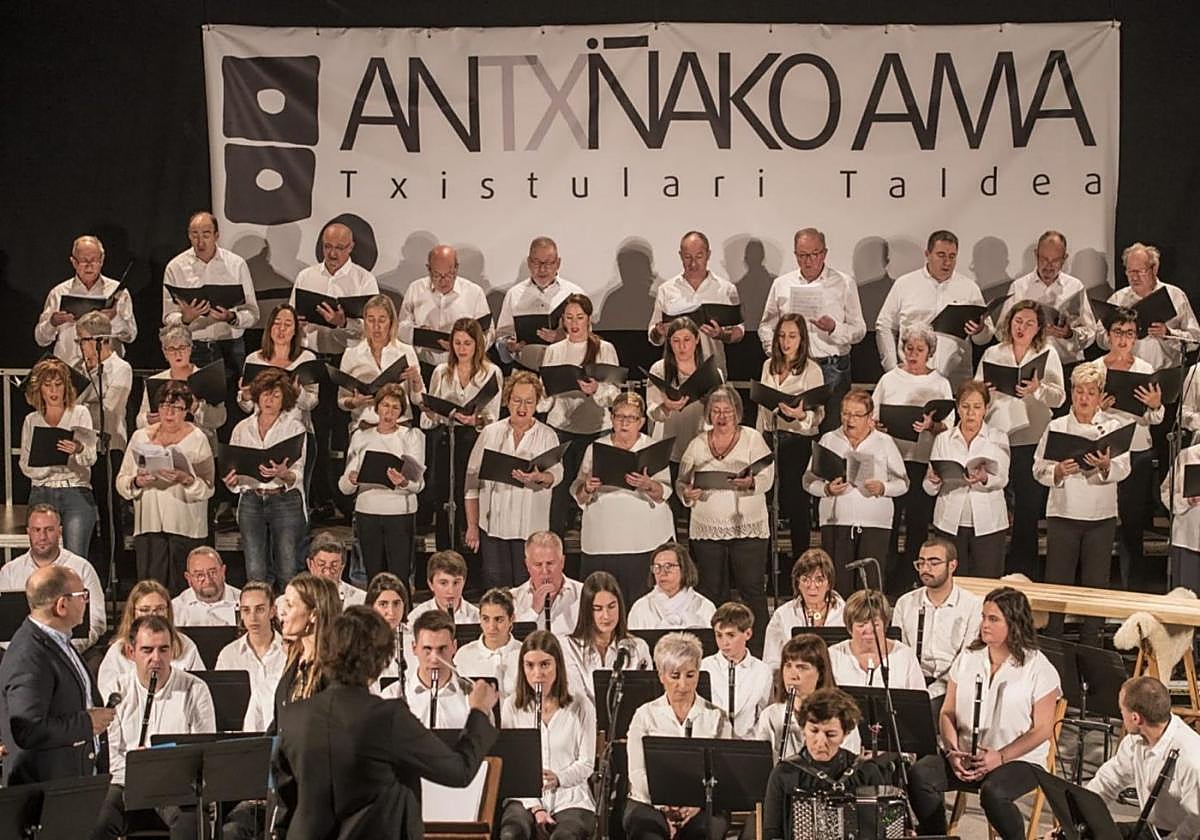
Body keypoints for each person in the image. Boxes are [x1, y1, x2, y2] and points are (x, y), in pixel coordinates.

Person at [272, 605, 498, 840]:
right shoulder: (387, 717)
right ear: (380, 658)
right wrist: (479, 712)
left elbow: (284, 801)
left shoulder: (293, 716)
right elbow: (458, 771)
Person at [908, 587, 1061, 840]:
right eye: (983, 617)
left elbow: (1043, 729)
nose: (984, 625)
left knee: (994, 793)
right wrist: (951, 750)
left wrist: (1000, 757)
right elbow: (947, 712)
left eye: (993, 619)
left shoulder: (1039, 667)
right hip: (967, 755)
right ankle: (936, 836)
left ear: (1014, 623)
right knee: (920, 775)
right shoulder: (969, 657)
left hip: (1018, 761)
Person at [93, 614, 216, 840]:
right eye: (147, 650)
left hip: (175, 785)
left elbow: (203, 753)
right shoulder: (116, 690)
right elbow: (114, 758)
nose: (156, 658)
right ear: (132, 652)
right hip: (126, 783)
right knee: (97, 820)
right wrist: (139, 769)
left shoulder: (195, 689)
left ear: (173, 651)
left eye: (163, 649)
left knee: (192, 824)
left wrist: (159, 770)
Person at [1034, 362, 1130, 645]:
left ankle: (1093, 644)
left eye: (1090, 392)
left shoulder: (1113, 427)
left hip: (1100, 517)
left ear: (1100, 396)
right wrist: (1058, 472)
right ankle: (1054, 643)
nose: (1084, 398)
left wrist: (1104, 466)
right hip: (1063, 513)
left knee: (1095, 585)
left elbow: (1124, 468)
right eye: (1078, 391)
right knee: (1057, 583)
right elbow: (1038, 468)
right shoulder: (1057, 426)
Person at [677, 385, 774, 651]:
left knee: (752, 591)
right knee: (711, 591)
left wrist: (752, 482)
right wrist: (687, 492)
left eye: (727, 412)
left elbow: (767, 475)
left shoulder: (752, 438)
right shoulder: (698, 442)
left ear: (737, 413)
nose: (721, 417)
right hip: (707, 528)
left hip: (747, 527)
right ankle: (713, 649)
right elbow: (682, 481)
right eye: (716, 411)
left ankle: (759, 650)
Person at [0, 565, 113, 784]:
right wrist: (86, 724)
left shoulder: (57, 640)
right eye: (83, 595)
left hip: (74, 780)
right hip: (48, 792)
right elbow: (28, 729)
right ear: (62, 605)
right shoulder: (29, 655)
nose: (86, 602)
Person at [977, 299, 1065, 578]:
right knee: (997, 502)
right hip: (999, 436)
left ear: (1038, 328)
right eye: (1018, 321)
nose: (1022, 327)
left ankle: (1024, 570)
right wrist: (985, 393)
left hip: (1032, 436)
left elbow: (1059, 397)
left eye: (1029, 323)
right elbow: (974, 392)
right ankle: (993, 568)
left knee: (1027, 508)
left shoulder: (1047, 354)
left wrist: (1038, 390)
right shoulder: (993, 353)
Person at [623, 632, 731, 840]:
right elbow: (637, 773)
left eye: (690, 675)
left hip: (702, 804)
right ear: (661, 675)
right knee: (647, 832)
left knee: (704, 831)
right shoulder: (644, 715)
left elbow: (723, 774)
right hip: (649, 802)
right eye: (675, 676)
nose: (683, 685)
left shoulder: (717, 717)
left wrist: (695, 805)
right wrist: (665, 806)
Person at [872, 321, 954, 593]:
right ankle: (889, 579)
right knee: (891, 522)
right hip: (892, 460)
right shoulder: (889, 379)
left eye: (919, 349)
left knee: (918, 523)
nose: (913, 354)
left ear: (930, 352)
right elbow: (872, 416)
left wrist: (932, 426)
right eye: (908, 348)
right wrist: (880, 425)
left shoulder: (940, 382)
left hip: (923, 461)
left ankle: (914, 578)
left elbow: (950, 426)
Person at [802, 387, 907, 596]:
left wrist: (883, 487)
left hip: (874, 522)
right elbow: (807, 480)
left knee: (870, 587)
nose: (850, 420)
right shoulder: (829, 439)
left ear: (870, 417)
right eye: (846, 413)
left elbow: (903, 482)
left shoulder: (884, 442)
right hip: (836, 521)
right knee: (838, 584)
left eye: (857, 415)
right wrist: (826, 489)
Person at [758, 228, 866, 431]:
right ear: (795, 255)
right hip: (793, 370)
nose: (808, 261)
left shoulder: (843, 283)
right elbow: (766, 325)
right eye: (802, 255)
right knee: (796, 430)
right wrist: (775, 352)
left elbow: (859, 330)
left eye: (814, 254)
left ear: (824, 253)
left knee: (832, 433)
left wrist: (834, 328)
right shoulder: (782, 284)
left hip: (831, 368)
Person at [464, 371, 563, 589]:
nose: (522, 407)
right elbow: (471, 483)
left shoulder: (547, 435)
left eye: (529, 402)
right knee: (496, 589)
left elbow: (556, 475)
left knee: (527, 588)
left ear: (537, 403)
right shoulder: (490, 433)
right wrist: (472, 526)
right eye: (517, 400)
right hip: (493, 528)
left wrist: (539, 477)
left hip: (530, 531)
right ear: (507, 400)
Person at [573, 392, 675, 600]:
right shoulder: (595, 448)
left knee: (639, 601)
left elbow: (663, 492)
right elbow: (579, 493)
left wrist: (647, 484)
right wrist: (588, 487)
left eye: (632, 418)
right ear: (611, 419)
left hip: (644, 540)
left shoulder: (652, 447)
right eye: (620, 416)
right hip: (603, 541)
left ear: (642, 422)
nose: (625, 423)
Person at [115, 380, 214, 592]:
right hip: (149, 527)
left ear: (186, 410)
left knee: (182, 593)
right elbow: (122, 481)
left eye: (176, 407)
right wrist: (137, 481)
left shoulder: (198, 438)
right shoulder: (140, 436)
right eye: (164, 406)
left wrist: (185, 478)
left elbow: (208, 486)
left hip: (186, 528)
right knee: (151, 592)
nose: (169, 413)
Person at [161, 212, 259, 421]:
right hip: (193, 348)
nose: (200, 240)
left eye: (206, 234)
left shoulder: (236, 264)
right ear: (188, 236)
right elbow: (168, 317)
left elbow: (253, 313)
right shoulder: (175, 267)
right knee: (193, 410)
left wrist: (231, 316)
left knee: (232, 409)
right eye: (194, 234)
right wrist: (185, 318)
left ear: (217, 235)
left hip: (229, 347)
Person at [500, 630, 597, 840]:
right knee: (511, 833)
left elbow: (587, 763)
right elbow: (512, 765)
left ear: (557, 666)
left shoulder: (580, 705)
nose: (538, 673)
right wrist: (536, 807)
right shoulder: (511, 706)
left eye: (545, 664)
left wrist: (559, 778)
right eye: (530, 665)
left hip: (571, 797)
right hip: (524, 799)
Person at [539, 292, 622, 534]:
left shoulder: (604, 348)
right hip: (562, 427)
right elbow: (544, 393)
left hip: (597, 428)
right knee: (560, 490)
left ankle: (596, 537)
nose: (574, 323)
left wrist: (596, 389)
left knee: (594, 488)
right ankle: (556, 541)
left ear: (589, 319)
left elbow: (615, 392)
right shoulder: (554, 350)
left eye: (579, 317)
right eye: (569, 318)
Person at [761, 688, 890, 840]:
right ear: (803, 729)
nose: (820, 742)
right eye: (814, 731)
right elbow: (771, 833)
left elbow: (884, 828)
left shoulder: (866, 771)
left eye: (831, 734)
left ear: (845, 734)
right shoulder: (784, 774)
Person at [419, 316, 503, 549]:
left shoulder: (491, 372)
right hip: (448, 439)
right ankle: (446, 552)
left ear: (477, 344)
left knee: (472, 494)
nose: (462, 349)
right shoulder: (441, 372)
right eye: (457, 343)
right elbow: (429, 419)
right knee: (445, 498)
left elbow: (493, 416)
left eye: (467, 343)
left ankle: (473, 556)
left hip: (476, 439)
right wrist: (432, 410)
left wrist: (476, 419)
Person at [1098, 307, 1166, 592]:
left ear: (1136, 337)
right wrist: (1097, 409)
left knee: (1133, 525)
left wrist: (1154, 406)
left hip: (1137, 451)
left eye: (1129, 334)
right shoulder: (1096, 368)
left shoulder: (1144, 370)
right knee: (1101, 522)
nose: (1123, 339)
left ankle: (1133, 589)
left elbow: (1155, 419)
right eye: (1118, 333)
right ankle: (1100, 587)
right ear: (1108, 335)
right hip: (1103, 452)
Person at [876, 230, 994, 388]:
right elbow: (885, 325)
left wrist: (980, 330)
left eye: (952, 256)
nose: (947, 262)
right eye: (941, 255)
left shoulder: (969, 288)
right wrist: (892, 369)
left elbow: (984, 338)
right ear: (928, 254)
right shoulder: (905, 284)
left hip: (955, 380)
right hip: (910, 376)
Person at [1085, 676, 1200, 839]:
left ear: (1135, 718)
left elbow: (1196, 822)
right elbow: (1108, 781)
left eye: (1121, 710)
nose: (1121, 716)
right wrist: (1078, 818)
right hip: (1154, 829)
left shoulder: (1191, 757)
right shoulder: (1135, 741)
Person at [224, 367, 308, 585]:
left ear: (285, 399)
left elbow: (298, 474)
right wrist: (232, 481)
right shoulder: (242, 428)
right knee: (255, 569)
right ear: (257, 396)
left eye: (276, 395)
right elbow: (234, 466)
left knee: (287, 567)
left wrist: (283, 473)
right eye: (265, 394)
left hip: (284, 499)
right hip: (251, 499)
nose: (270, 400)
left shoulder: (294, 428)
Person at [922, 380, 1012, 577]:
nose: (971, 413)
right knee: (952, 582)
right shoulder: (943, 439)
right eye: (965, 406)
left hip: (989, 522)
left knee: (987, 582)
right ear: (957, 407)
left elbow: (1003, 478)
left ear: (986, 409)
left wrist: (984, 477)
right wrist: (932, 480)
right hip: (949, 521)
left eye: (977, 407)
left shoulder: (998, 438)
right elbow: (928, 487)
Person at [755, 314, 824, 558]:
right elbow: (761, 406)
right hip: (770, 439)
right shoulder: (768, 365)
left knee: (796, 503)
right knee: (768, 500)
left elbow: (818, 415)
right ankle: (769, 559)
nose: (786, 342)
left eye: (792, 336)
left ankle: (800, 558)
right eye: (782, 336)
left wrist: (799, 415)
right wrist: (757, 438)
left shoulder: (811, 370)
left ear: (802, 339)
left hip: (797, 441)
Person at [340, 383, 425, 581]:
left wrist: (403, 482)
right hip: (367, 512)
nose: (389, 412)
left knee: (400, 577)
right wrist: (352, 480)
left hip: (399, 513)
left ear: (401, 412)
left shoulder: (411, 437)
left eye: (395, 407)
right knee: (373, 577)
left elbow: (418, 484)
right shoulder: (361, 436)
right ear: (377, 407)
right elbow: (343, 486)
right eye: (385, 405)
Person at [646, 317, 725, 520]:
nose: (682, 346)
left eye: (687, 340)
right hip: (668, 445)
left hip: (700, 445)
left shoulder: (711, 371)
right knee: (668, 508)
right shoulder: (659, 369)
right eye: (676, 340)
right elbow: (651, 411)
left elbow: (722, 412)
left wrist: (710, 402)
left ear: (697, 340)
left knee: (698, 508)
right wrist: (666, 406)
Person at [237, 304, 320, 499]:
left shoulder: (306, 358)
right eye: (277, 323)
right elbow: (247, 406)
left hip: (296, 432)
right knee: (261, 487)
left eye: (287, 324)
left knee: (295, 489)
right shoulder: (254, 359)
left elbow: (312, 402)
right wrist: (246, 396)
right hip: (261, 435)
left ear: (295, 330)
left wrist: (297, 393)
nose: (281, 329)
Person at [19, 356, 98, 559]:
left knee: (76, 557)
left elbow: (91, 457)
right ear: (40, 389)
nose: (53, 391)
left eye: (58, 384)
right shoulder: (32, 420)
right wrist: (47, 464)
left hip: (75, 490)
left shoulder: (80, 413)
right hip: (42, 491)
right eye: (48, 386)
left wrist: (78, 449)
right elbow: (25, 465)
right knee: (43, 554)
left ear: (66, 387)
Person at [891, 538, 984, 709]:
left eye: (934, 563)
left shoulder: (972, 605)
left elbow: (968, 657)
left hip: (953, 686)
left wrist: (936, 691)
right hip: (913, 683)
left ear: (952, 565)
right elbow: (900, 652)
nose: (925, 569)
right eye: (921, 562)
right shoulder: (905, 603)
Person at [0, 504, 105, 651]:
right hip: (22, 655)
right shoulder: (9, 572)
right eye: (37, 530)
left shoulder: (82, 568)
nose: (42, 537)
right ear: (28, 532)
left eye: (49, 530)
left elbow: (97, 621)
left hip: (71, 650)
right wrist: (23, 651)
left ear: (60, 531)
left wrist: (65, 649)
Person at [997, 231, 1097, 376]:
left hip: (1068, 367)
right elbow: (1001, 332)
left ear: (1065, 258)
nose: (1049, 266)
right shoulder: (1019, 287)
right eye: (1044, 259)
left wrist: (1070, 334)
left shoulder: (1075, 287)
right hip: (1028, 367)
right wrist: (1031, 331)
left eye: (1055, 260)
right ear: (1036, 254)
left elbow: (1090, 333)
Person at [648, 231, 744, 378]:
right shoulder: (667, 290)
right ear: (680, 255)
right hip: (675, 374)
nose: (693, 263)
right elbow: (653, 337)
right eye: (687, 257)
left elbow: (739, 332)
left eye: (699, 257)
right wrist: (659, 332)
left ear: (708, 254)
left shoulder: (726, 289)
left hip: (713, 371)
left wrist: (721, 334)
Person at [35, 234, 137, 365]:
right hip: (69, 369)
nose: (89, 266)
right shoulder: (59, 292)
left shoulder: (118, 292)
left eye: (94, 260)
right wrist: (52, 322)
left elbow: (130, 336)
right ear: (73, 262)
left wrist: (114, 318)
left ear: (102, 260)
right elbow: (40, 339)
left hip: (107, 370)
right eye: (84, 260)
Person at [756, 634, 860, 761]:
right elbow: (762, 765)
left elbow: (848, 763)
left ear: (820, 673)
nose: (792, 675)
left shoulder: (841, 716)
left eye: (802, 667)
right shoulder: (771, 715)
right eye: (788, 665)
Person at [97, 579, 205, 699]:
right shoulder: (117, 651)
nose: (153, 615)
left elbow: (199, 689)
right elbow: (108, 695)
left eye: (159, 609)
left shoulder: (186, 645)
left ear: (168, 611)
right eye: (144, 610)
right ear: (133, 613)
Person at [561, 571, 652, 707]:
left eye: (611, 607)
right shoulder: (568, 647)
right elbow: (574, 698)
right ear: (587, 611)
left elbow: (645, 699)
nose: (606, 616)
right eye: (598, 609)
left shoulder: (638, 647)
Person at [398, 244, 495, 371]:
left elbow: (489, 332)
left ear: (456, 268)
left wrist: (462, 345)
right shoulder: (415, 289)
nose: (443, 281)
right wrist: (420, 333)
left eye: (449, 274)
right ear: (428, 269)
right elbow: (400, 328)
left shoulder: (474, 292)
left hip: (462, 367)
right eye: (437, 275)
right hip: (424, 366)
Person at [337, 293, 423, 432]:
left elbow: (418, 399)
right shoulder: (351, 354)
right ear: (364, 321)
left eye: (382, 320)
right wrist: (354, 402)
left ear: (391, 321)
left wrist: (416, 380)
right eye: (371, 320)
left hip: (400, 426)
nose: (376, 326)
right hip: (365, 426)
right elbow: (341, 401)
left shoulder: (405, 351)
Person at [496, 236, 583, 369]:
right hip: (525, 370)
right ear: (529, 263)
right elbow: (502, 335)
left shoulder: (575, 294)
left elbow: (588, 340)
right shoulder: (514, 294)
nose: (542, 269)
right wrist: (508, 346)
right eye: (537, 263)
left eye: (548, 263)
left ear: (558, 263)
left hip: (565, 368)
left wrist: (563, 337)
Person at [137, 325, 227, 451]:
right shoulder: (156, 381)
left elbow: (220, 419)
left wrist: (196, 408)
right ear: (165, 353)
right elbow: (140, 419)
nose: (177, 353)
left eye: (182, 347)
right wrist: (149, 420)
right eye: (172, 349)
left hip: (200, 448)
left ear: (190, 349)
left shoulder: (207, 377)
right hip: (164, 446)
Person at [274, 572, 342, 726]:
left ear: (314, 615)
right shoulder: (295, 657)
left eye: (290, 605)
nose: (282, 611)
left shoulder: (336, 668)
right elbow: (280, 722)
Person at [215, 581, 285, 731]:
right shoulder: (228, 655)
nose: (253, 618)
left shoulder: (289, 652)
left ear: (272, 611)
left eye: (259, 609)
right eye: (246, 610)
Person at [761, 549, 846, 672]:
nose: (812, 586)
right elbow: (771, 663)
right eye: (805, 579)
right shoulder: (783, 615)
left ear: (829, 583)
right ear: (797, 583)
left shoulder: (845, 613)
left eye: (819, 580)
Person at [828, 590, 926, 691]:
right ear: (849, 628)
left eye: (876, 625)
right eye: (861, 625)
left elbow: (919, 701)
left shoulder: (905, 656)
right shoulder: (833, 656)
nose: (869, 630)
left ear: (885, 625)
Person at [700, 602, 771, 737]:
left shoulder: (762, 671)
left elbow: (764, 716)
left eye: (731, 635)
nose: (724, 643)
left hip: (748, 746)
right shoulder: (705, 667)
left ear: (748, 634)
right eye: (719, 635)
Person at [627, 541, 717, 630]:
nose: (662, 573)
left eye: (668, 567)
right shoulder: (641, 608)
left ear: (684, 568)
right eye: (657, 567)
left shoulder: (705, 607)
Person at [405, 609, 472, 727]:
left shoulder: (473, 697)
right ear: (414, 648)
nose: (435, 659)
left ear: (454, 647)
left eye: (442, 649)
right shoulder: (392, 695)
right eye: (427, 649)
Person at [511, 531, 583, 633]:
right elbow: (507, 642)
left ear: (562, 562)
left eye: (550, 563)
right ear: (527, 565)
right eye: (538, 564)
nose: (545, 571)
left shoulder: (583, 594)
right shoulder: (513, 599)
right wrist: (534, 611)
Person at [454, 588, 521, 697]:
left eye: (498, 619)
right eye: (485, 619)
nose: (491, 627)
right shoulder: (464, 655)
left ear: (512, 619)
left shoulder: (524, 654)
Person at [289, 532, 366, 608]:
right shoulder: (292, 599)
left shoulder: (361, 601)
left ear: (342, 566)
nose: (328, 572)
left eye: (334, 566)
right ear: (310, 564)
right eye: (321, 564)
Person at [1163, 436, 1200, 594]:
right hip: (1188, 539)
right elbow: (1166, 493)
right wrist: (1187, 501)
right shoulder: (1187, 456)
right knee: (1185, 599)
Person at [365, 572, 412, 696]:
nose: (391, 612)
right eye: (383, 604)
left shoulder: (415, 639)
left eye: (396, 604)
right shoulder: (362, 642)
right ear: (371, 607)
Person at [171, 545, 241, 626]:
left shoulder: (244, 602)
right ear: (188, 578)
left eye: (213, 573)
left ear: (223, 571)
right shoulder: (175, 608)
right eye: (200, 575)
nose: (208, 580)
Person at [408, 550, 481, 625]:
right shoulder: (416, 618)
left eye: (456, 582)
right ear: (431, 584)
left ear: (464, 582)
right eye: (443, 583)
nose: (451, 591)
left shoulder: (478, 617)